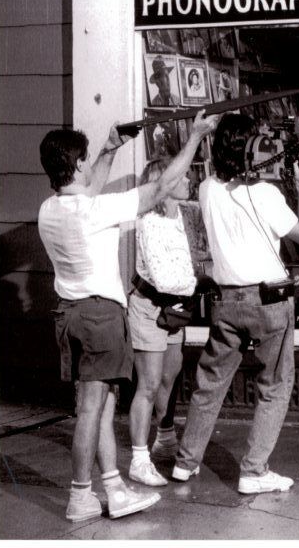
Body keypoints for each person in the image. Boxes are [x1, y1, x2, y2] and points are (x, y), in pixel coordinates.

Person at [38, 109, 219, 522]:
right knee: (91, 408)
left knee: (98, 405)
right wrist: (194, 137)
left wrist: (108, 149)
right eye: (87, 159)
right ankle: (81, 495)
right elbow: (162, 187)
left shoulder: (50, 209)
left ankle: (114, 487)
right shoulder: (94, 211)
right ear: (78, 163)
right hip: (100, 317)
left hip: (69, 314)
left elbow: (86, 189)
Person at [172, 114, 299, 495]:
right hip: (268, 301)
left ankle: (186, 462)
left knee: (211, 381)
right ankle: (253, 470)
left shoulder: (205, 189)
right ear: (252, 150)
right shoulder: (266, 194)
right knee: (275, 385)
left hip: (226, 300)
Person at [125, 157, 198, 487]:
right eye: (182, 176)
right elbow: (165, 278)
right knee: (149, 384)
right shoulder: (148, 222)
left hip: (174, 309)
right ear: (163, 183)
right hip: (150, 306)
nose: (189, 180)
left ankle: (165, 438)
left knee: (170, 376)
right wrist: (202, 283)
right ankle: (139, 459)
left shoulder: (181, 214)